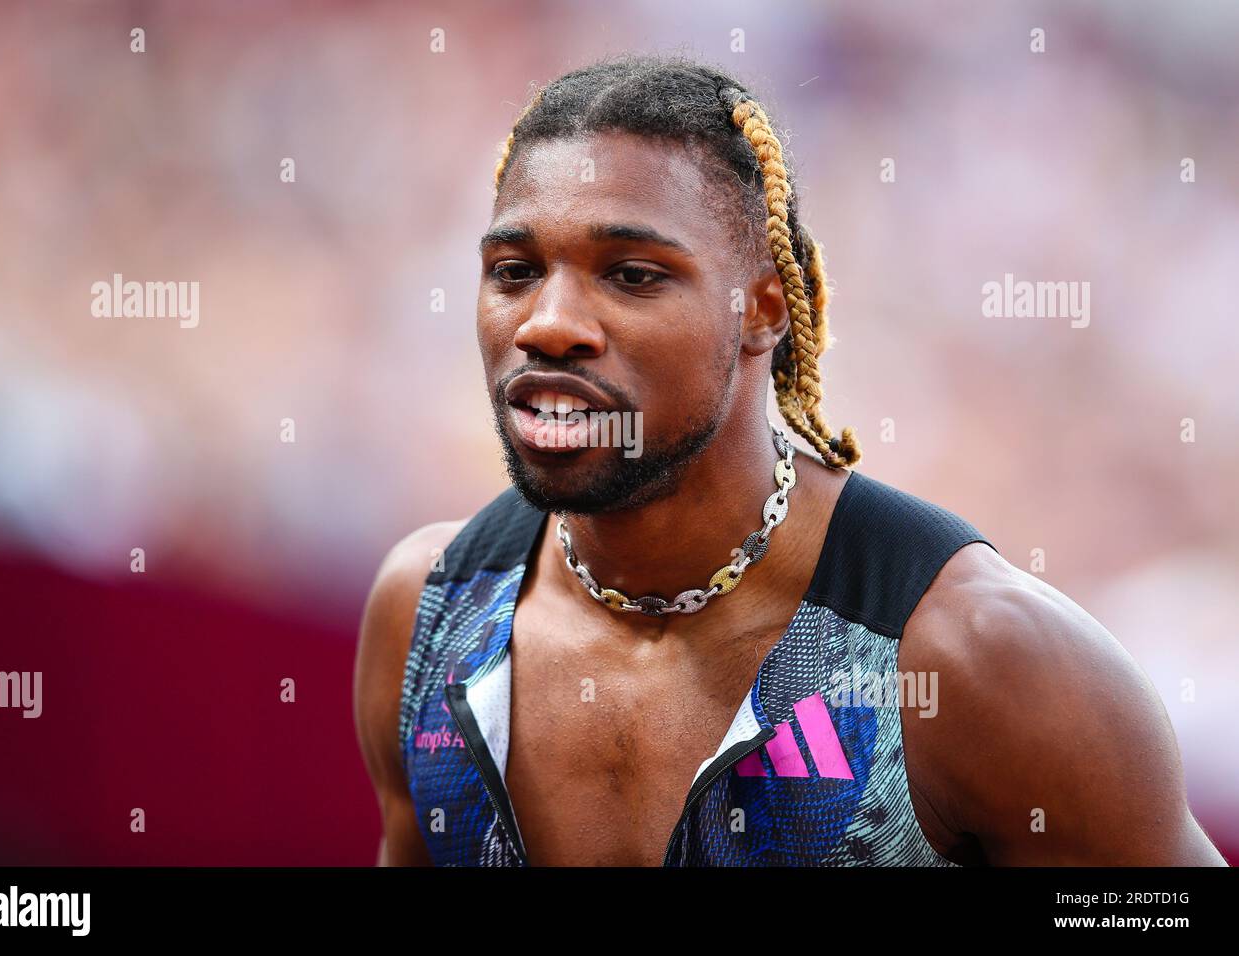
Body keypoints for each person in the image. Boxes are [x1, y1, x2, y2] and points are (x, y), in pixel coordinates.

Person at [354, 54, 1227, 866]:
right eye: (515, 269)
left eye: (632, 274)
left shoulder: (974, 659)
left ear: (765, 308)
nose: (547, 323)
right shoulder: (427, 619)